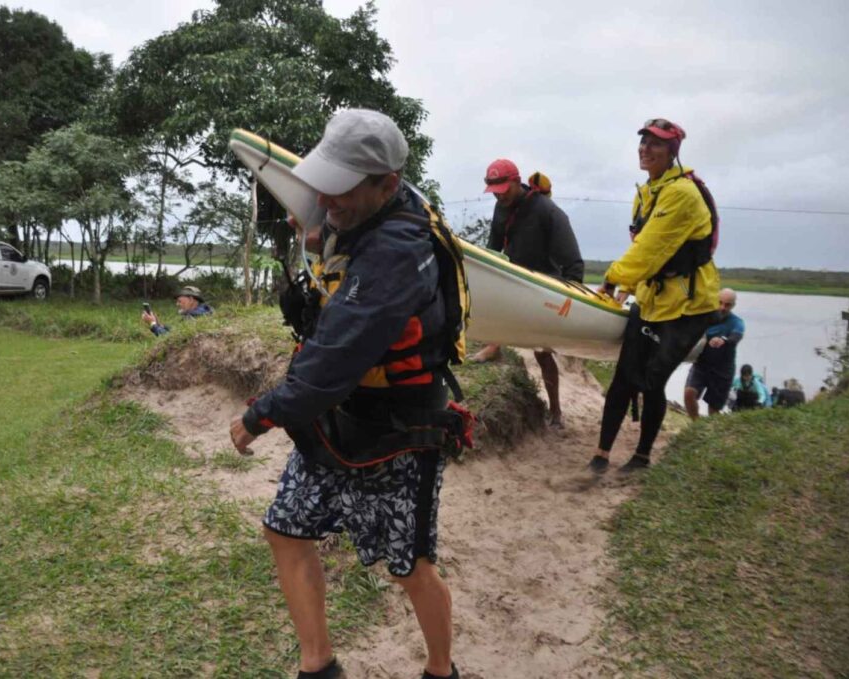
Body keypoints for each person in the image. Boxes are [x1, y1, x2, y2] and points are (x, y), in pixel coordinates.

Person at [229, 109, 460, 679]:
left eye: (341, 189)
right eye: (323, 181)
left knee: (410, 568)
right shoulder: (374, 200)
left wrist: (258, 417)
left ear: (387, 183)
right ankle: (319, 667)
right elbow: (326, 220)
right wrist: (322, 221)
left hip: (399, 430)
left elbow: (330, 365)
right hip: (337, 420)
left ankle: (440, 670)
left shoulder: (398, 253)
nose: (326, 197)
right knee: (285, 530)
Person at [589, 118, 721, 474]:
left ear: (673, 152)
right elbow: (645, 252)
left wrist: (613, 278)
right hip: (653, 298)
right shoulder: (646, 192)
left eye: (656, 144)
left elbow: (651, 247)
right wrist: (628, 289)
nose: (645, 148)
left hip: (690, 306)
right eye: (643, 142)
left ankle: (642, 457)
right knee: (623, 378)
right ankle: (600, 455)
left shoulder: (681, 193)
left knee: (653, 380)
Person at [470, 159, 584, 429]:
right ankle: (494, 345)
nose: (500, 194)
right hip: (514, 279)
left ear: (516, 181)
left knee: (542, 352)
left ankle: (556, 412)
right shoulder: (501, 207)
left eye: (503, 188)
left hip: (544, 286)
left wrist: (573, 296)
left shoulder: (546, 210)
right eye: (494, 190)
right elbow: (492, 250)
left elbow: (573, 260)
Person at [684, 288, 744, 418]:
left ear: (733, 305)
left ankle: (709, 432)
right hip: (701, 365)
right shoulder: (705, 317)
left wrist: (723, 340)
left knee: (713, 410)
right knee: (689, 393)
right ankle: (696, 426)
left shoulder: (737, 322)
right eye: (720, 302)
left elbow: (736, 337)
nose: (722, 307)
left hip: (723, 370)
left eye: (727, 305)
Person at [141, 285, 213, 336]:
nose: (177, 304)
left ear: (191, 300)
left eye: (180, 301)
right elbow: (176, 330)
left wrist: (152, 324)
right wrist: (158, 324)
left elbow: (170, 338)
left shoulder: (196, 317)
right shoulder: (202, 313)